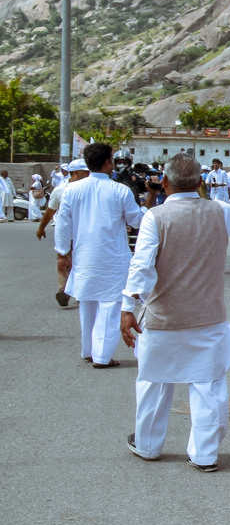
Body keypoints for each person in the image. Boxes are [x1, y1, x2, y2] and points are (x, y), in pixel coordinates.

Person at [118, 155, 230, 470]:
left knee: (154, 381)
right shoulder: (220, 213)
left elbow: (141, 266)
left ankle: (148, 444)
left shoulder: (156, 217)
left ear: (164, 183)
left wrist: (128, 307)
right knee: (208, 384)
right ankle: (205, 453)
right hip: (207, 317)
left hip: (163, 316)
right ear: (201, 183)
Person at [53, 144, 147, 367]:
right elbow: (136, 220)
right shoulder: (120, 190)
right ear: (107, 162)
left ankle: (88, 350)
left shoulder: (72, 190)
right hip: (112, 257)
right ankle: (102, 357)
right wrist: (149, 211)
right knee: (110, 305)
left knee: (87, 304)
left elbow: (62, 224)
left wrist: (62, 251)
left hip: (84, 255)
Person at [38, 159, 90, 306]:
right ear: (75, 173)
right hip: (66, 230)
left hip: (85, 231)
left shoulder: (91, 189)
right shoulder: (60, 190)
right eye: (85, 173)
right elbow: (50, 211)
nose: (88, 175)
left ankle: (81, 292)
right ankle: (63, 290)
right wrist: (41, 228)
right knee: (62, 261)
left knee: (80, 262)